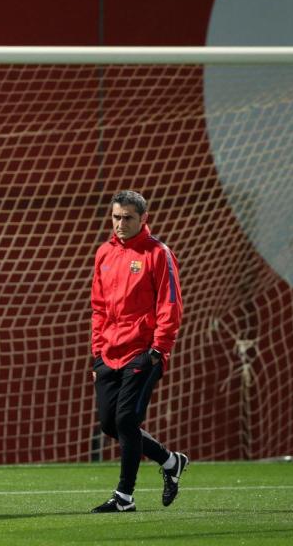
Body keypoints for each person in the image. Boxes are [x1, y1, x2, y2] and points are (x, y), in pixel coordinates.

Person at [89, 190, 187, 513]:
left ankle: (124, 497)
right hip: (108, 353)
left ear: (144, 218)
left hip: (143, 352)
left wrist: (158, 350)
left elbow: (171, 304)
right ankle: (170, 462)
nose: (120, 223)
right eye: (116, 217)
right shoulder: (104, 253)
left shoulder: (158, 253)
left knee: (126, 419)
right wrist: (97, 353)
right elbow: (98, 307)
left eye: (128, 217)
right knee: (110, 424)